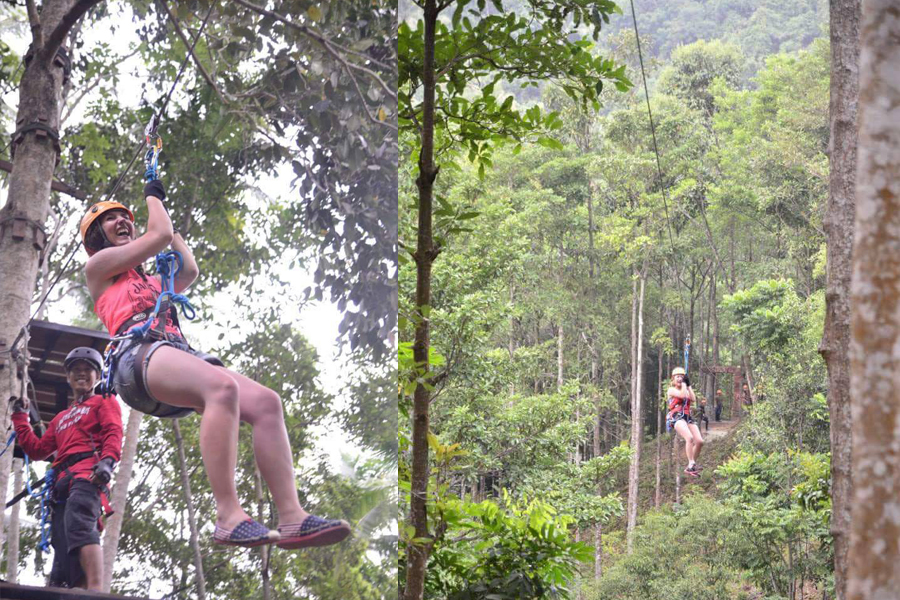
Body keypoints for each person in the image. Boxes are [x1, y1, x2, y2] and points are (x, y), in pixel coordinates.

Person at [78, 172, 350, 549]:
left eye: (126, 215)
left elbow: (188, 270)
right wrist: (152, 198)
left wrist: (165, 218)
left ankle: (292, 517)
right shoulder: (100, 269)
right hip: (135, 359)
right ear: (96, 235)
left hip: (169, 353)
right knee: (221, 387)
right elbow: (155, 237)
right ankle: (228, 515)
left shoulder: (151, 283)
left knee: (266, 403)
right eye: (110, 219)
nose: (122, 220)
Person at [10, 347, 122, 590]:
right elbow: (38, 449)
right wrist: (20, 418)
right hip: (61, 483)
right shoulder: (61, 417)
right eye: (76, 371)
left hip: (87, 474)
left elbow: (113, 431)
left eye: (88, 371)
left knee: (80, 524)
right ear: (68, 378)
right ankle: (76, 591)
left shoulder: (103, 401)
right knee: (63, 543)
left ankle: (95, 591)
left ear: (97, 377)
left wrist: (107, 461)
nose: (82, 375)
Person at [666, 367, 704, 477]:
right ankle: (691, 462)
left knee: (700, 441)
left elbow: (693, 399)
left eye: (681, 377)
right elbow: (682, 395)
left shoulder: (685, 388)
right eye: (677, 377)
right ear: (673, 379)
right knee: (689, 438)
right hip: (676, 417)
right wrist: (684, 385)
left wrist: (689, 385)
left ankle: (691, 465)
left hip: (687, 417)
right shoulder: (671, 390)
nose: (679, 379)